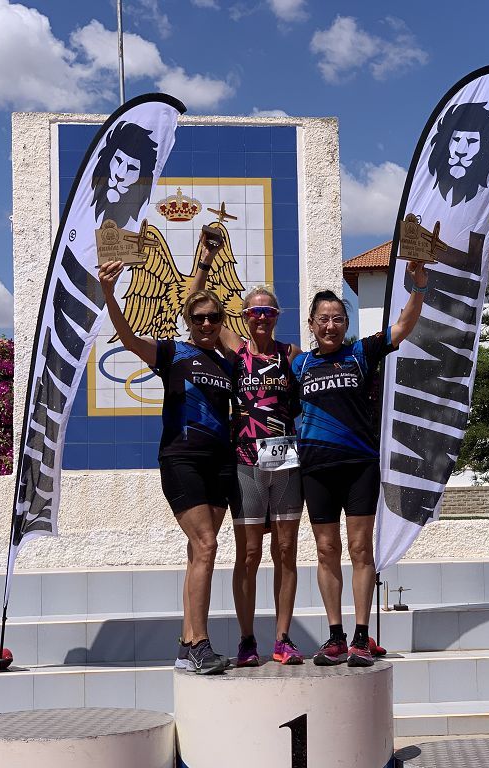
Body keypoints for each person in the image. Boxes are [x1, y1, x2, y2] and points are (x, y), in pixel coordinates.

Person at [99, 258, 233, 675]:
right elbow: (127, 336)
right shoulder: (172, 352)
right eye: (199, 317)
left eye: (213, 317)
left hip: (220, 462)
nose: (206, 323)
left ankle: (185, 646)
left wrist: (207, 266)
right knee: (207, 546)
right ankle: (200, 643)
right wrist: (109, 291)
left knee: (199, 552)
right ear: (188, 320)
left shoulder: (228, 361)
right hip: (181, 457)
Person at [292, 262, 428, 666]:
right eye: (323, 319)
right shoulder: (298, 364)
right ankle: (334, 636)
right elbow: (243, 345)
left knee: (359, 548)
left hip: (359, 466)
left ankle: (361, 636)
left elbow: (403, 326)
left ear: (345, 322)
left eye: (337, 318)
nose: (330, 325)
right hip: (316, 468)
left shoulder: (361, 353)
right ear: (311, 324)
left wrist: (419, 285)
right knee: (326, 549)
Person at [189, 234, 305, 666]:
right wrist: (204, 263)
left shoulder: (292, 354)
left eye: (268, 312)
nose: (262, 318)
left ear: (277, 317)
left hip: (287, 464)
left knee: (287, 551)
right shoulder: (236, 351)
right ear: (243, 317)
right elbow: (194, 306)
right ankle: (246, 639)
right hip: (245, 462)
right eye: (254, 312)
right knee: (250, 553)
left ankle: (283, 637)